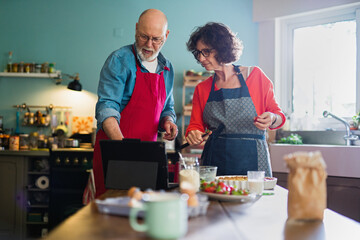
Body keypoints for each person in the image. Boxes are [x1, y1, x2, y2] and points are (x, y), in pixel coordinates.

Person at [93, 9, 178, 198]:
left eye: (156, 39)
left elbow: (167, 108)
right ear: (136, 29)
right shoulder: (119, 61)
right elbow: (107, 108)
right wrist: (123, 150)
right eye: (143, 37)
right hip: (115, 151)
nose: (149, 45)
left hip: (148, 156)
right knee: (111, 212)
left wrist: (168, 122)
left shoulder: (167, 68)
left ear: (167, 35)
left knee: (143, 211)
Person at [185, 22, 285, 177]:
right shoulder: (202, 88)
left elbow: (279, 117)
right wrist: (193, 133)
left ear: (223, 48)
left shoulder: (255, 76)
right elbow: (195, 126)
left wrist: (272, 118)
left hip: (254, 161)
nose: (200, 58)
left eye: (206, 52)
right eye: (198, 53)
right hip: (215, 160)